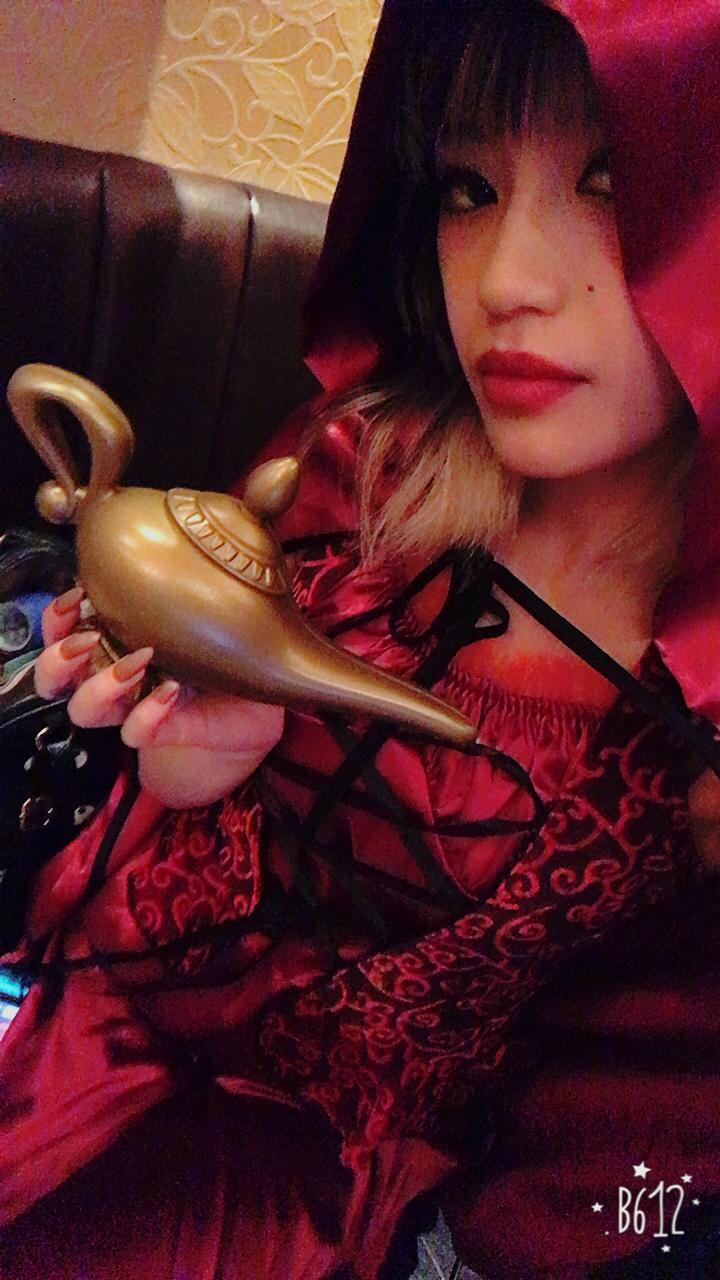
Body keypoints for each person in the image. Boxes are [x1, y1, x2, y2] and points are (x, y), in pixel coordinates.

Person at [2, 2, 720, 1277]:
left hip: (328, 1201)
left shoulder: (694, 721)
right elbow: (155, 853)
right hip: (90, 1029)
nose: (503, 281)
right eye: (467, 188)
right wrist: (190, 760)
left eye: (610, 183)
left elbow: (629, 1167)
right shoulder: (363, 461)